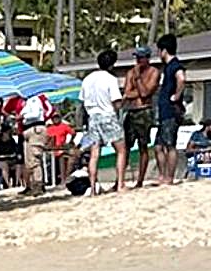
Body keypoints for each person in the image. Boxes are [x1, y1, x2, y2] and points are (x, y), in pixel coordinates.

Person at [79, 48, 128, 195]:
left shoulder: (87, 79)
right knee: (121, 150)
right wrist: (125, 99)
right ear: (112, 64)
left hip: (92, 117)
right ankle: (120, 184)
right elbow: (116, 102)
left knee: (94, 155)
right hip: (107, 116)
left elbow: (82, 100)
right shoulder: (110, 79)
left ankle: (93, 188)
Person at [121, 46, 160, 188]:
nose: (138, 60)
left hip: (144, 111)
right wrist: (137, 90)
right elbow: (127, 93)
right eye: (136, 57)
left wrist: (137, 79)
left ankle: (140, 180)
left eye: (141, 57)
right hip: (131, 111)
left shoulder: (153, 72)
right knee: (125, 147)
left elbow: (146, 93)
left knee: (143, 146)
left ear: (147, 58)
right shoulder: (130, 72)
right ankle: (121, 180)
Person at [156, 33, 187, 185]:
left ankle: (170, 178)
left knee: (170, 145)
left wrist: (176, 95)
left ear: (164, 50)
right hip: (163, 111)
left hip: (171, 111)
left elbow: (181, 78)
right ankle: (162, 176)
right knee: (158, 146)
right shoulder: (167, 67)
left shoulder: (175, 64)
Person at [16, 90, 55, 197]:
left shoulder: (36, 98)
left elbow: (39, 113)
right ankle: (33, 184)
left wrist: (23, 116)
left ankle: (38, 185)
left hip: (35, 128)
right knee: (29, 161)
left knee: (34, 159)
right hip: (27, 130)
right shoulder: (24, 100)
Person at [46, 112, 78, 183]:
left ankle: (66, 176)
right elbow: (47, 139)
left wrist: (70, 141)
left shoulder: (64, 126)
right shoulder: (49, 128)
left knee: (72, 155)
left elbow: (73, 133)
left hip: (62, 148)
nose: (56, 119)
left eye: (57, 117)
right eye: (54, 118)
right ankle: (62, 179)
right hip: (53, 149)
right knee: (61, 156)